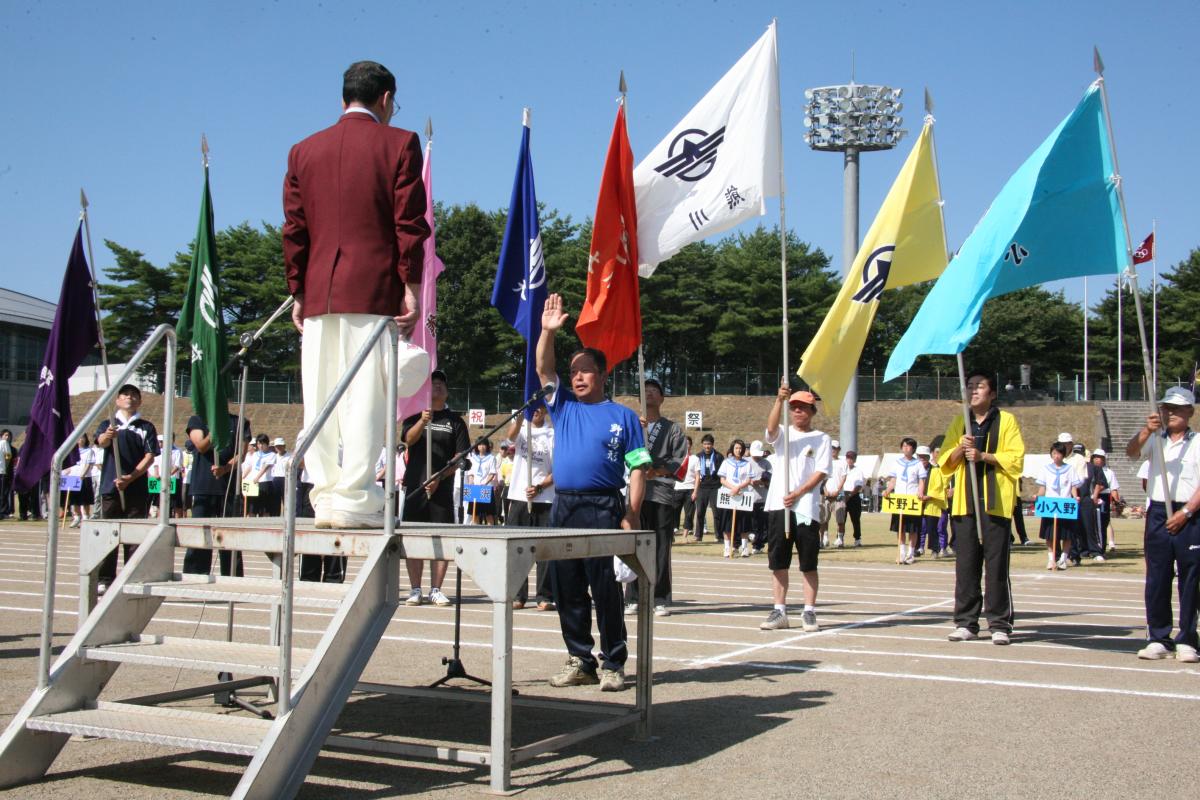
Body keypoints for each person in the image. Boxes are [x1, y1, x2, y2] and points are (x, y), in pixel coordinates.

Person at [283, 59, 430, 530]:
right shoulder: (399, 142)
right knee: (367, 394)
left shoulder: (303, 150)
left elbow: (295, 230)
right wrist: (410, 286)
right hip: (373, 288)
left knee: (321, 395)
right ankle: (354, 495)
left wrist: (297, 291)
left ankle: (324, 495)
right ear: (386, 98)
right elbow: (409, 221)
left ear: (343, 97)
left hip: (320, 291)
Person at [536, 293, 647, 692]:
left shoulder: (624, 416)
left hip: (604, 506)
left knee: (605, 587)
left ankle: (613, 662)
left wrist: (631, 512)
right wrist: (547, 333)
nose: (577, 377)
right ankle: (580, 658)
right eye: (574, 371)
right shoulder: (562, 406)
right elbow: (544, 369)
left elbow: (637, 468)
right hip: (564, 507)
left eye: (585, 371)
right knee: (567, 586)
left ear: (602, 375)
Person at [939, 371, 1025, 645]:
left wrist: (983, 456)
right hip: (964, 503)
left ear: (992, 393)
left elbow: (1016, 459)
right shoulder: (959, 421)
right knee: (965, 565)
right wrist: (959, 449)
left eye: (980, 386)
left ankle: (999, 623)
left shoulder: (1006, 421)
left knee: (996, 565)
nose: (973, 390)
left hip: (995, 503)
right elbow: (945, 461)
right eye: (970, 386)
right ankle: (966, 622)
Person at [1126, 386, 1200, 662]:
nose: (1171, 413)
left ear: (1190, 412)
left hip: (1188, 512)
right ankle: (1159, 636)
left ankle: (1188, 639)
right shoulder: (1156, 439)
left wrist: (1186, 513)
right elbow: (1132, 452)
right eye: (1167, 408)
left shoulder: (1197, 442)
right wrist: (1146, 430)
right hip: (1158, 510)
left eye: (1178, 409)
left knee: (1190, 578)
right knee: (1157, 577)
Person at [760, 380, 832, 632]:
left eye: (804, 407)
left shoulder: (821, 438)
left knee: (808, 562)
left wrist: (798, 492)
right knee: (778, 560)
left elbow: (822, 471)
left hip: (805, 508)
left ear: (812, 412)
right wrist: (779, 399)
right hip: (779, 506)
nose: (798, 411)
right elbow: (770, 431)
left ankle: (809, 611)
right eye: (795, 407)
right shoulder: (783, 434)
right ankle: (779, 611)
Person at [401, 369, 469, 607]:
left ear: (447, 390)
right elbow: (407, 440)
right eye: (433, 383)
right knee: (414, 537)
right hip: (415, 487)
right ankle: (415, 588)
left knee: (441, 537)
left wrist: (440, 476)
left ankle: (436, 589)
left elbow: (461, 455)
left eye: (441, 383)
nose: (437, 386)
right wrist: (423, 420)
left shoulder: (456, 421)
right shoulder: (415, 415)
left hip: (442, 488)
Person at [625, 379, 687, 616]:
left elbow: (679, 460)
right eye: (645, 391)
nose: (650, 394)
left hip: (660, 492)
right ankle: (632, 596)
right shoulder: (632, 426)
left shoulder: (672, 428)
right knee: (632, 543)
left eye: (654, 391)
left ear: (662, 398)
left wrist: (657, 470)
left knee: (661, 546)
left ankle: (660, 597)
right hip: (634, 493)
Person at [94, 384, 160, 590]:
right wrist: (107, 436)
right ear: (118, 400)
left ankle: (131, 576)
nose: (129, 398)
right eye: (125, 395)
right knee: (109, 535)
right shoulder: (108, 424)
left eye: (134, 395)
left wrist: (130, 477)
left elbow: (150, 456)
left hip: (136, 487)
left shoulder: (145, 427)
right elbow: (101, 442)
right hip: (110, 487)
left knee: (134, 535)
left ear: (139, 401)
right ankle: (105, 579)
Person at [182, 410, 250, 577]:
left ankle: (232, 577)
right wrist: (215, 430)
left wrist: (226, 468)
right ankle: (195, 575)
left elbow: (241, 454)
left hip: (229, 488)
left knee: (230, 536)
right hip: (204, 487)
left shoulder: (240, 422)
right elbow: (201, 446)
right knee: (201, 535)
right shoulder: (197, 420)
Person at [505, 406, 556, 610]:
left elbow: (559, 468)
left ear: (545, 410)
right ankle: (518, 594)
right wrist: (517, 422)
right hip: (519, 496)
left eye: (540, 406)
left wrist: (540, 487)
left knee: (544, 549)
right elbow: (510, 439)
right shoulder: (521, 428)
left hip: (545, 498)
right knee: (517, 548)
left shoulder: (553, 434)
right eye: (532, 406)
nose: (535, 410)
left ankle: (544, 596)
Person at [1036, 442, 1082, 570]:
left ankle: (1063, 558)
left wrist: (1075, 497)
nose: (1056, 456)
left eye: (1059, 453)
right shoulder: (1046, 469)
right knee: (1049, 533)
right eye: (1054, 453)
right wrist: (1038, 496)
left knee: (1067, 534)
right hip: (1050, 505)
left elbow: (1073, 486)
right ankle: (1051, 559)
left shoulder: (1070, 469)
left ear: (1064, 455)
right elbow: (1042, 488)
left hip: (1065, 504)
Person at [884, 437, 927, 564]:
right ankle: (901, 553)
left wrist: (920, 492)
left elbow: (922, 480)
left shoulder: (918, 464)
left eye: (908, 446)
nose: (906, 448)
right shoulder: (897, 463)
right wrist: (888, 490)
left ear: (913, 449)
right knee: (900, 528)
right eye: (904, 446)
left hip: (912, 500)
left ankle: (910, 553)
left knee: (913, 528)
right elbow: (893, 480)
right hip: (899, 499)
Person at [717, 439, 759, 559]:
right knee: (727, 523)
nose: (738, 450)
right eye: (736, 448)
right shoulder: (726, 462)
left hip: (742, 495)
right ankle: (727, 547)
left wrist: (738, 487)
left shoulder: (747, 464)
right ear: (732, 449)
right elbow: (722, 479)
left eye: (740, 448)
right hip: (728, 494)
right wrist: (733, 488)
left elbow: (748, 480)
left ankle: (745, 547)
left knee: (743, 523)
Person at [690, 433, 724, 542]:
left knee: (717, 513)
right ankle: (698, 535)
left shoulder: (719, 456)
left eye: (709, 444)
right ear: (702, 445)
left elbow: (722, 473)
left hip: (715, 487)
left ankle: (718, 536)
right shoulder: (698, 456)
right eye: (705, 444)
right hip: (702, 487)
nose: (707, 446)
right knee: (700, 512)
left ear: (712, 445)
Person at [243, 434, 277, 517]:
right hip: (253, 483)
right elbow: (251, 466)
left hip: (265, 482)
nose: (260, 446)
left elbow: (266, 467)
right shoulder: (255, 454)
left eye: (263, 444)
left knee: (265, 508)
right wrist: (243, 476)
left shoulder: (272, 455)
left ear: (267, 444)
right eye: (258, 444)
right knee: (252, 507)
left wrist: (257, 477)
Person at [65, 434, 96, 527]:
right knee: (74, 500)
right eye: (78, 438)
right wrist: (66, 471)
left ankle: (86, 517)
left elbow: (88, 464)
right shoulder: (71, 451)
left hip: (84, 477)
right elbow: (68, 465)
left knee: (84, 499)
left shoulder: (89, 451)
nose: (80, 440)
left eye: (82, 438)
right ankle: (77, 517)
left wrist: (83, 474)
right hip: (72, 477)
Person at [465, 439, 498, 525]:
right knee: (474, 513)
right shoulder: (472, 457)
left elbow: (492, 473)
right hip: (475, 488)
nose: (481, 447)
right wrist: (471, 482)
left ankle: (491, 532)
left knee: (488, 514)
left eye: (484, 445)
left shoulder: (491, 458)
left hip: (485, 488)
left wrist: (485, 483)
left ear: (487, 446)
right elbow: (470, 472)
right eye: (479, 445)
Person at [837, 449, 865, 548]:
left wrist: (850, 495)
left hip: (853, 496)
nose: (849, 460)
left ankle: (857, 539)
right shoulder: (841, 468)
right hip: (842, 495)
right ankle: (840, 539)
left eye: (852, 458)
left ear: (855, 459)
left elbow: (858, 486)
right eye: (848, 458)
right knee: (841, 519)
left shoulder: (858, 471)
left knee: (855, 519)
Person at [818, 439, 843, 548]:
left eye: (836, 448)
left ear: (839, 450)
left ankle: (840, 539)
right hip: (825, 494)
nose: (833, 450)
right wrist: (825, 491)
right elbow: (820, 478)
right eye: (832, 448)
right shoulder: (824, 461)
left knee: (840, 519)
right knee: (823, 519)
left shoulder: (843, 462)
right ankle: (824, 539)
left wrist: (837, 490)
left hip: (838, 495)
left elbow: (844, 478)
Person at [749, 440, 772, 554]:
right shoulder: (746, 462)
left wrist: (763, 482)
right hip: (747, 497)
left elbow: (771, 479)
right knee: (750, 523)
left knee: (761, 523)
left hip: (762, 497)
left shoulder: (766, 463)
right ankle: (742, 544)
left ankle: (758, 546)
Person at [673, 436, 698, 540]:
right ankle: (672, 534)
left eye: (688, 443)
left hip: (690, 489)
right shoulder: (676, 458)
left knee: (689, 514)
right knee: (674, 512)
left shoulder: (695, 458)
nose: (686, 445)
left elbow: (697, 476)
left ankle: (685, 536)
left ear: (690, 445)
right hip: (677, 488)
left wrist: (695, 491)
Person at [0, 429, 14, 520]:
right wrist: (6, 464)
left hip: (1, 471)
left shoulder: (2, 443)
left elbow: (8, 456)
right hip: (1, 471)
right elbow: (8, 455)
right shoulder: (3, 443)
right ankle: (2, 512)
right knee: (2, 493)